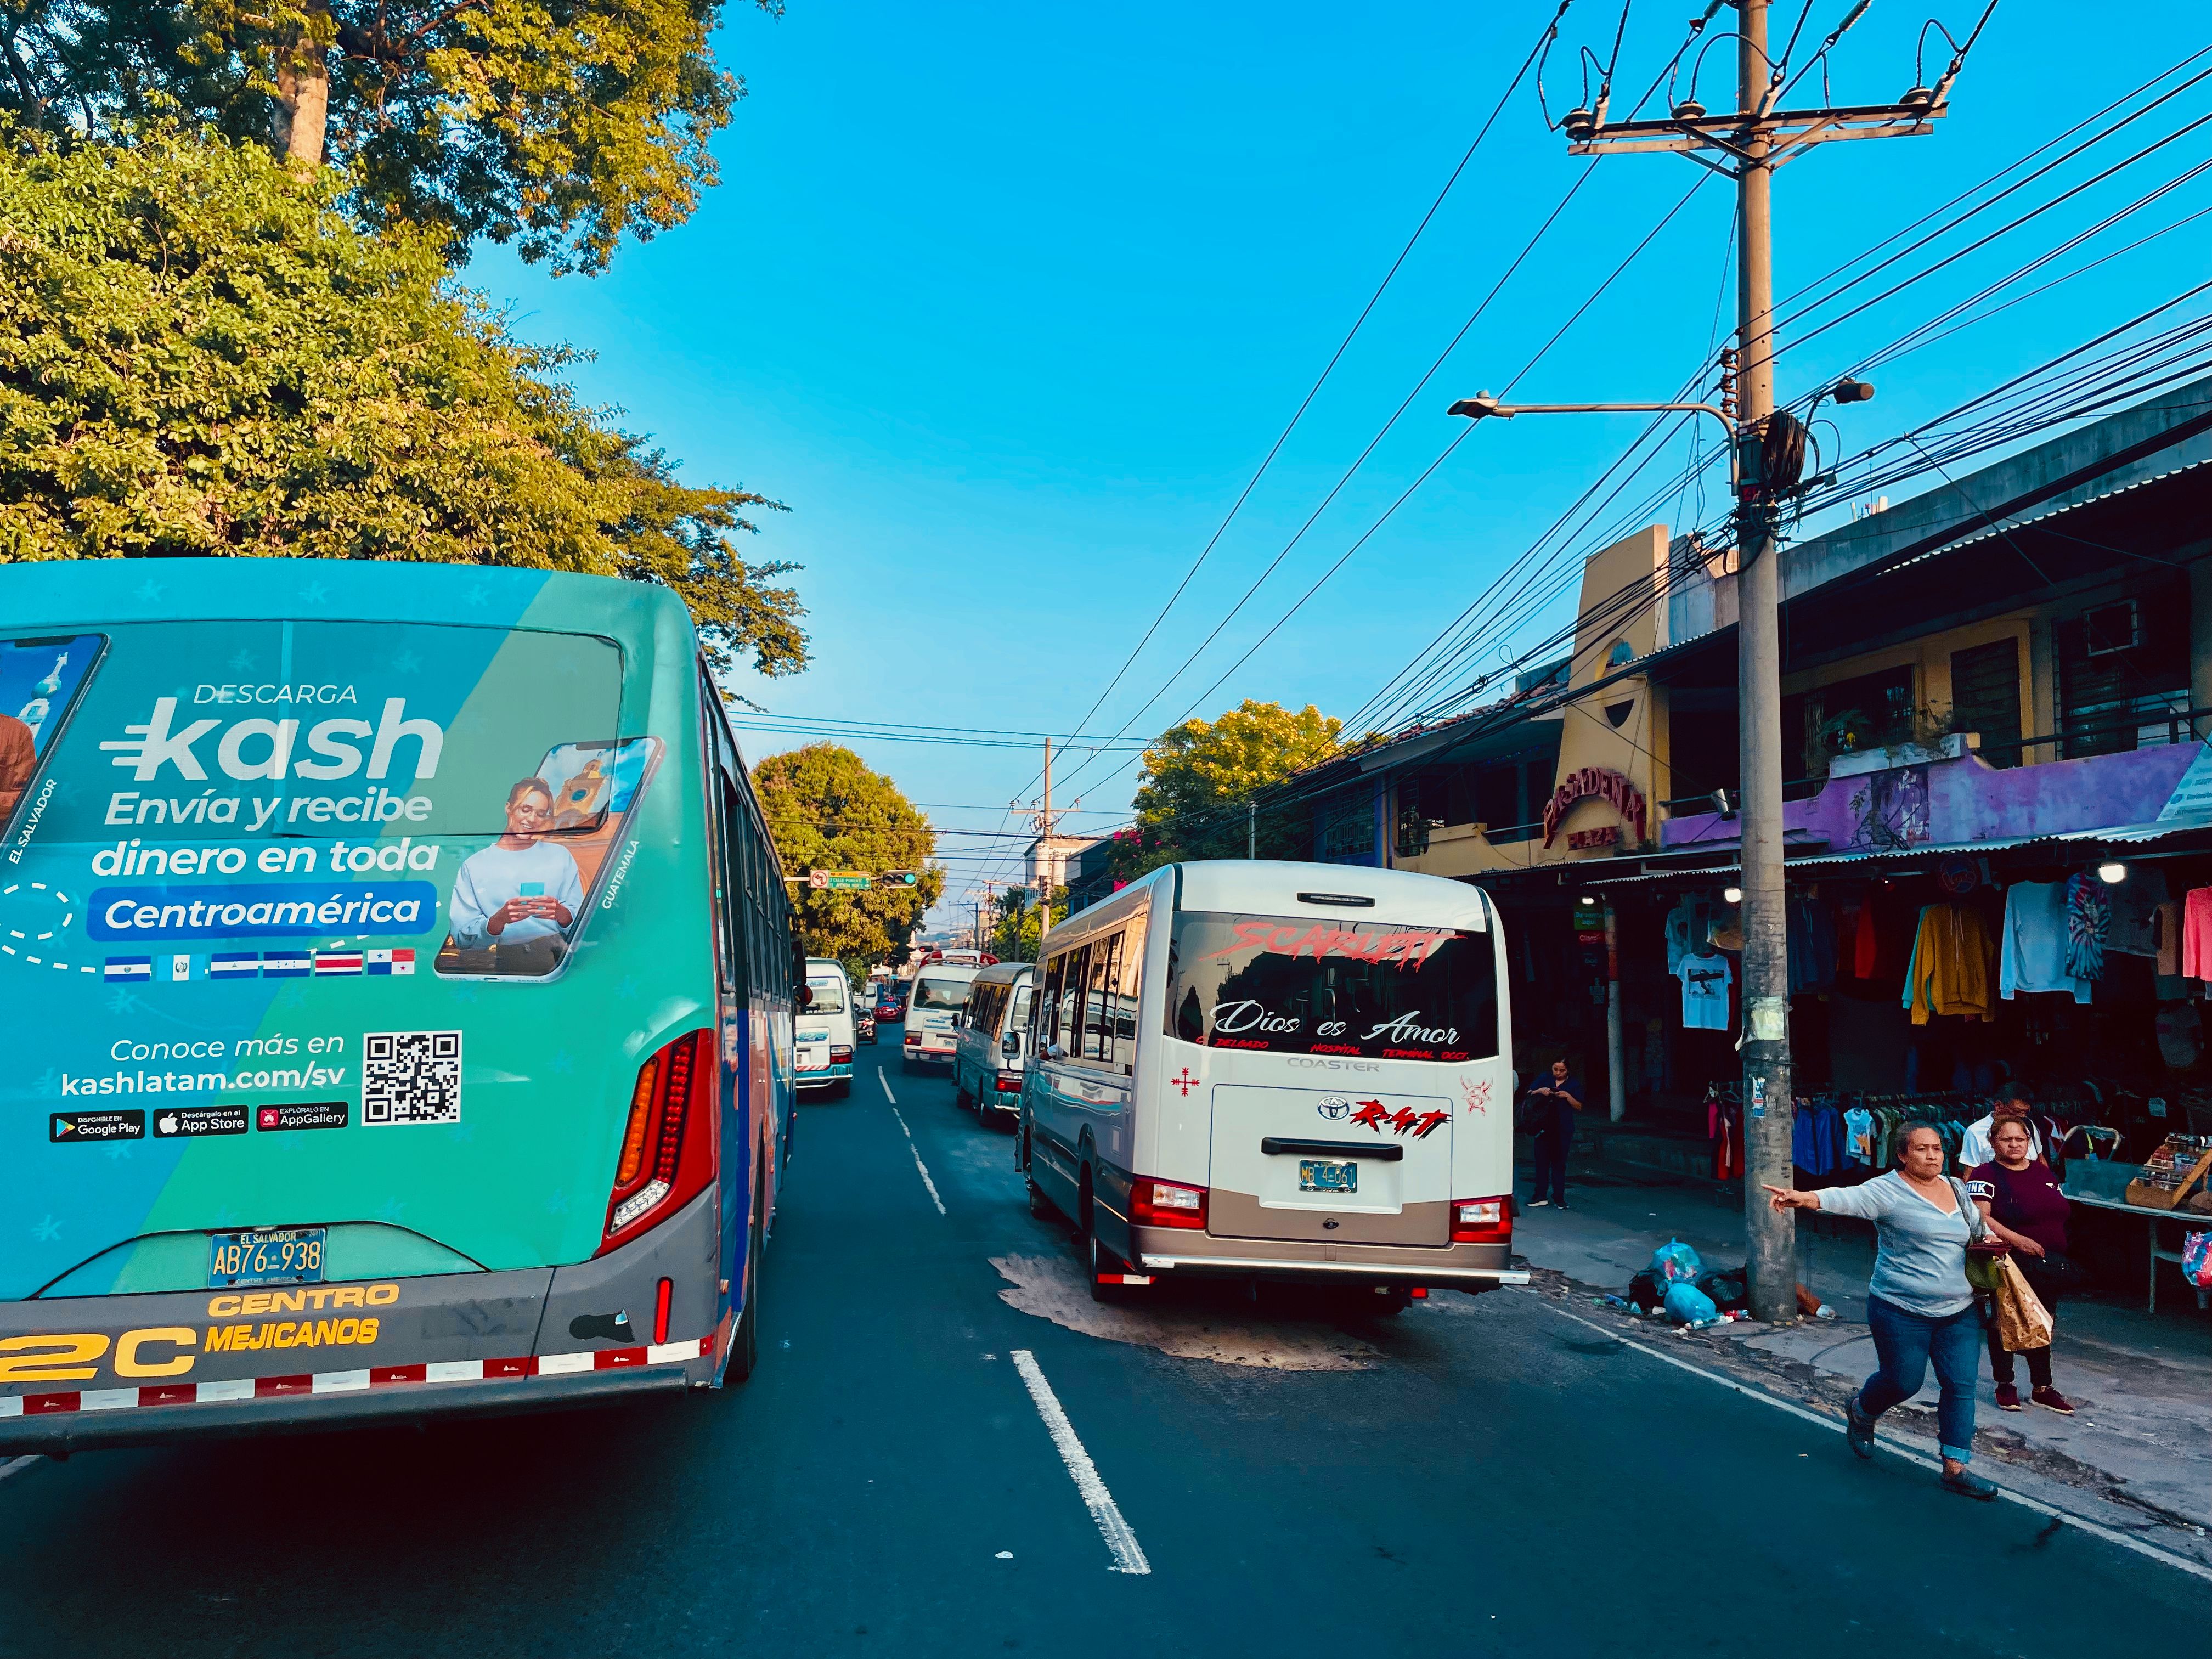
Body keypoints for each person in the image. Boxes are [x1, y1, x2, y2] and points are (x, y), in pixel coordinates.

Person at [1765, 1122, 1999, 1500]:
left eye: (1937, 1148)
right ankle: (1861, 1411)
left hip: (1959, 1310)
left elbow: (1976, 1229)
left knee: (1960, 1385)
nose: (1932, 1155)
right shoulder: (1887, 1190)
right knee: (1904, 1382)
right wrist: (1803, 1198)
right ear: (1903, 1155)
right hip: (1900, 1308)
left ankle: (1956, 1467)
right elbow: (1846, 1198)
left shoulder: (1956, 1188)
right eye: (1922, 1149)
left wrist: (1990, 1242)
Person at [1967, 1111, 2076, 1415]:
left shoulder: (2042, 1172)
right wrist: (2021, 1241)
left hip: (2048, 1262)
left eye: (2020, 1139)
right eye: (2007, 1139)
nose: (2014, 1145)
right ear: (1993, 1142)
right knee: (2006, 1322)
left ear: (2029, 1141)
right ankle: (2005, 1384)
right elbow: (1981, 1217)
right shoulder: (1984, 1174)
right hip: (2009, 1262)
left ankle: (2043, 1387)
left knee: (2042, 1320)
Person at [447, 777, 584, 973]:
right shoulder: (474, 866)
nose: (532, 819)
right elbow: (461, 937)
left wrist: (562, 914)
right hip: (503, 961)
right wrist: (497, 921)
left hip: (559, 957)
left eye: (541, 813)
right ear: (508, 808)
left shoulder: (561, 856)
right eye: (525, 809)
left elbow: (583, 922)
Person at [1522, 1059, 1584, 1211]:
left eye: (1561, 1070)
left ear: (1567, 1071)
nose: (1558, 1073)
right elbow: (1530, 1093)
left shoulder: (1574, 1084)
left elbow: (1579, 1106)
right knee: (1541, 1162)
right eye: (1555, 1069)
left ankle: (1559, 1197)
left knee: (1559, 1164)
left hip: (1562, 1129)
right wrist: (1541, 1091)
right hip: (1543, 1127)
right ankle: (1540, 1195)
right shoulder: (1545, 1078)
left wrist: (1567, 1096)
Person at [1957, 1085, 2042, 1172]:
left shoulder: (2028, 1124)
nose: (2021, 1117)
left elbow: (2041, 1159)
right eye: (2016, 1112)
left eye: (2024, 1113)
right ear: (1998, 1106)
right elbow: (1970, 1173)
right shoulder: (1975, 1132)